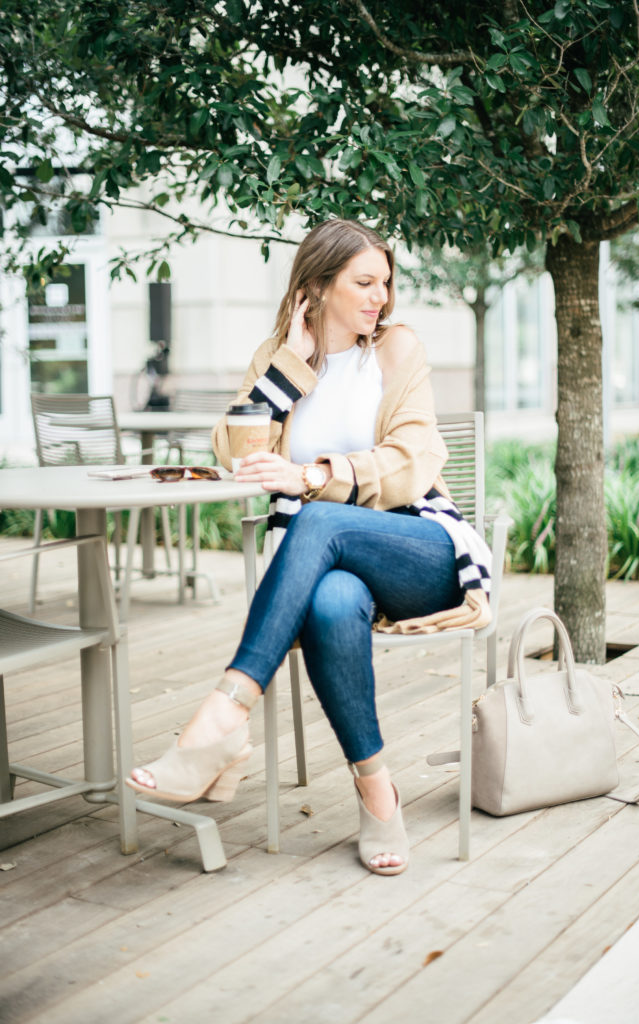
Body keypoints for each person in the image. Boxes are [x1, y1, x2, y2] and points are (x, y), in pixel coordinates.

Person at [127, 218, 492, 876]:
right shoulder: (279, 356)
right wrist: (289, 367)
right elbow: (236, 453)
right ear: (317, 287)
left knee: (315, 520)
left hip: (420, 549)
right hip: (328, 566)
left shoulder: (397, 349)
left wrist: (312, 477)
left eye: (385, 282)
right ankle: (378, 790)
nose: (380, 296)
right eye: (363, 282)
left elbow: (411, 460)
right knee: (329, 602)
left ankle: (222, 717)